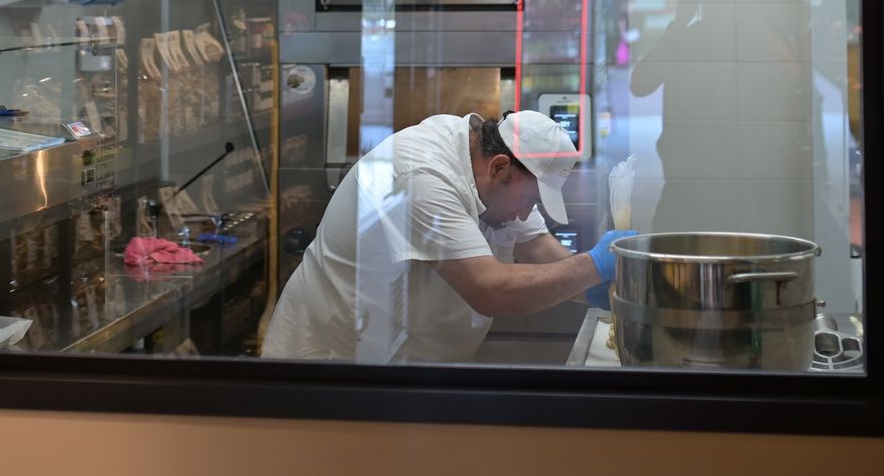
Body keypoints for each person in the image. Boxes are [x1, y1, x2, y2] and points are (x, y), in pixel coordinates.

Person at [261, 108, 636, 363]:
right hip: (334, 365)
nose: (526, 213)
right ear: (500, 167)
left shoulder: (495, 173)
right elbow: (490, 290)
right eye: (529, 201)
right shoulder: (420, 176)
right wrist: (592, 265)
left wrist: (594, 287)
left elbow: (538, 249)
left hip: (406, 368)